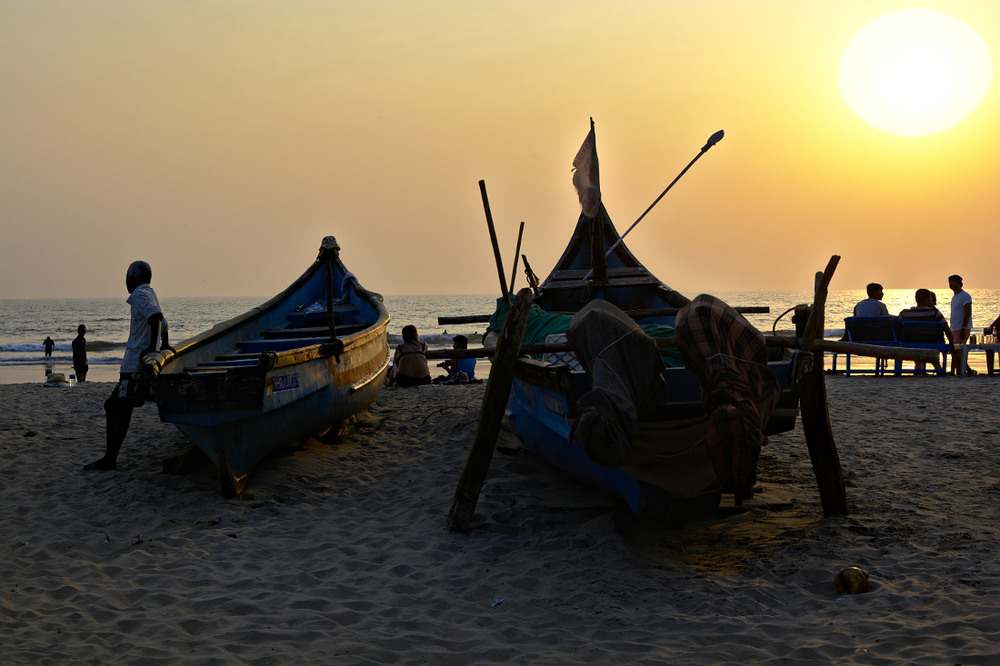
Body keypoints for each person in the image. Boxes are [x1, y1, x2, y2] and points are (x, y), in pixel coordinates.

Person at [84, 261, 172, 471]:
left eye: (126, 276)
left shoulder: (140, 295)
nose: (125, 280)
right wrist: (165, 345)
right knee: (113, 406)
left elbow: (156, 318)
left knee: (122, 410)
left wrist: (152, 350)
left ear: (133, 279)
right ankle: (109, 457)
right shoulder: (150, 293)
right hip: (134, 366)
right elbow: (163, 322)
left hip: (134, 366)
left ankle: (110, 459)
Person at [899, 288, 953, 372]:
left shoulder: (904, 313)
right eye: (930, 298)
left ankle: (918, 369)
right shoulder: (934, 313)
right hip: (931, 342)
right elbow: (946, 329)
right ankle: (938, 369)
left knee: (917, 343)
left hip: (910, 342)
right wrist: (951, 344)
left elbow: (897, 328)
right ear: (927, 299)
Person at [948, 274, 975, 375]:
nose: (951, 284)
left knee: (957, 352)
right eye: (950, 282)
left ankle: (967, 370)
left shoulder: (965, 296)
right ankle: (957, 370)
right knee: (954, 351)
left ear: (959, 283)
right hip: (954, 328)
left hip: (962, 328)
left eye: (953, 281)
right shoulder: (954, 297)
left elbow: (967, 313)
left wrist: (963, 327)